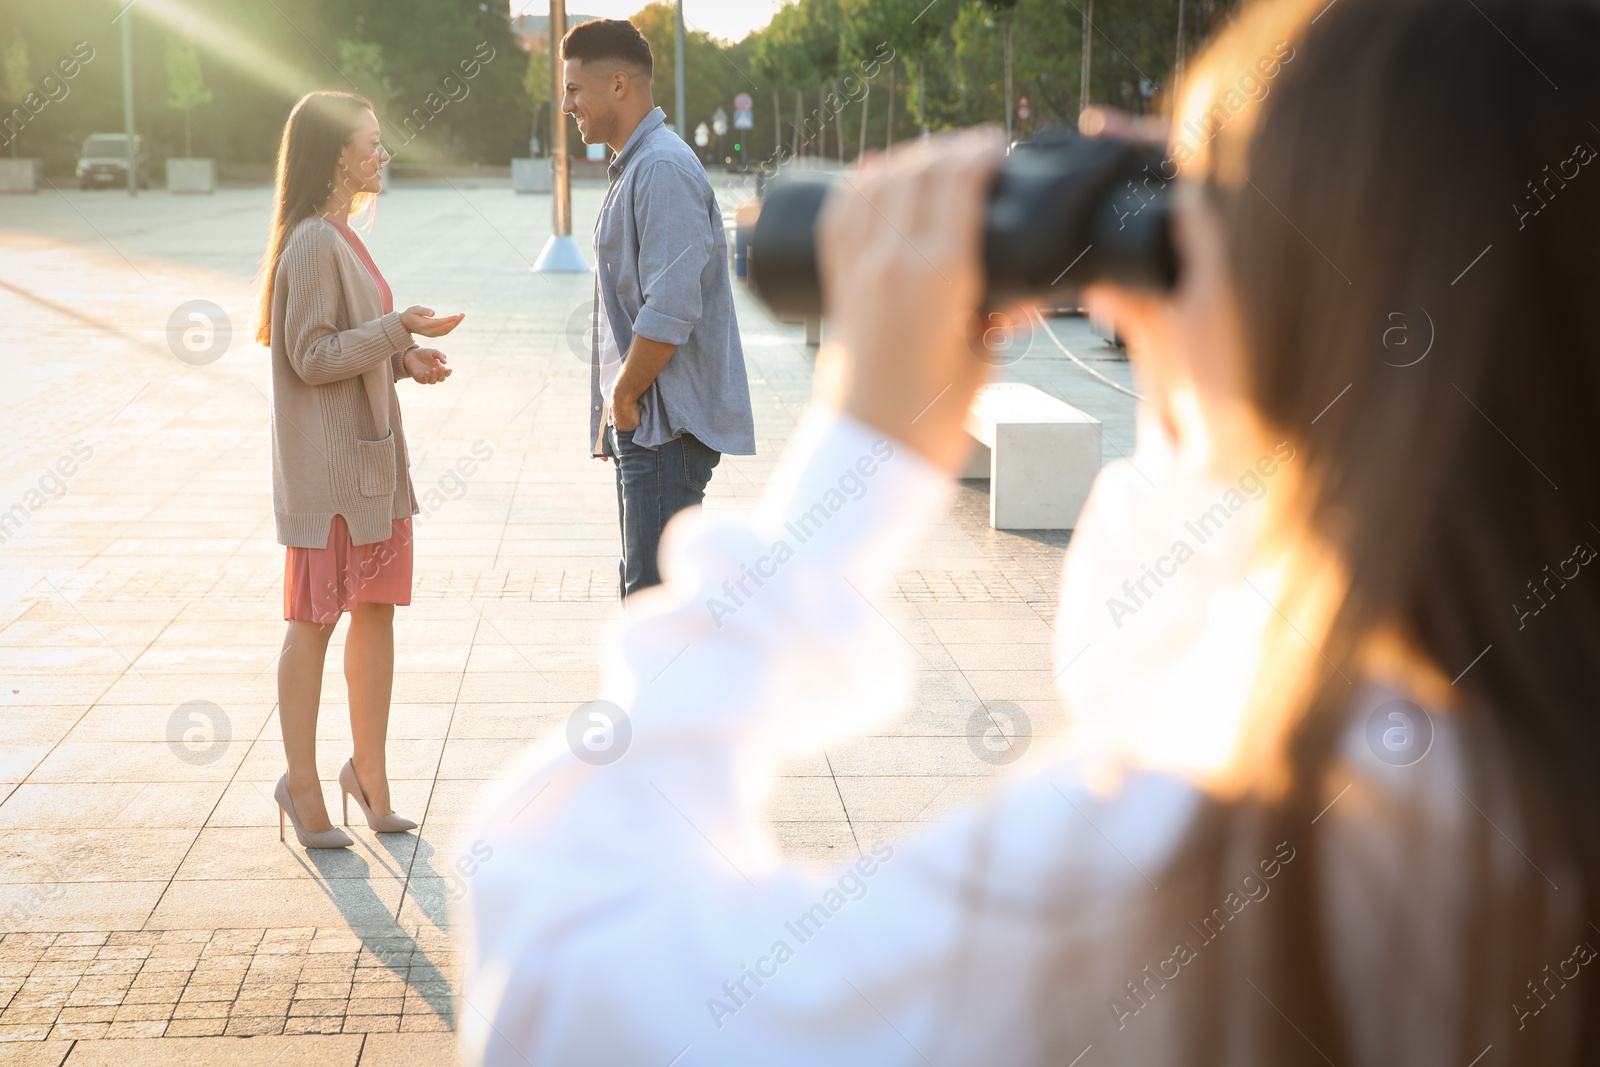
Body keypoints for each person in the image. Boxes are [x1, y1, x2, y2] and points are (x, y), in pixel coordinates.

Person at [459, 0, 1600, 1062]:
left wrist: (860, 454)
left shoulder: (1196, 878)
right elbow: (1147, 678)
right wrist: (1217, 373)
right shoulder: (1503, 784)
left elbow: (560, 955)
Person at [255, 91, 463, 849]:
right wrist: (394, 327)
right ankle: (300, 784)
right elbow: (311, 357)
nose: (383, 154)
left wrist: (404, 358)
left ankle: (367, 776)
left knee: (375, 613)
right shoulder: (313, 241)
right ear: (337, 154)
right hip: (331, 480)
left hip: (370, 468)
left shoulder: (341, 235)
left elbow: (347, 348)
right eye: (371, 142)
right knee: (313, 623)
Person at [560, 18, 756, 598]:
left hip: (662, 430)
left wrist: (622, 397)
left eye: (574, 90)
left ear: (618, 84)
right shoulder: (640, 164)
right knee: (651, 598)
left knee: (653, 604)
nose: (567, 105)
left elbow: (671, 307)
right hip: (648, 426)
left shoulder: (661, 168)